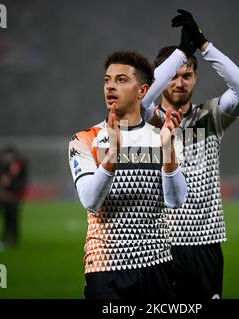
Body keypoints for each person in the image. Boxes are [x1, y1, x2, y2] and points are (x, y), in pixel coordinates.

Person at [142, 9, 239, 299]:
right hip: (159, 246)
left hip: (206, 244)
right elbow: (141, 99)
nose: (179, 82)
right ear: (160, 78)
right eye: (174, 75)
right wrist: (180, 53)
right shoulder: (147, 119)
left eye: (187, 75)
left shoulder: (210, 116)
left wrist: (204, 45)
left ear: (196, 78)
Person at [68, 48, 189, 299]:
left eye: (121, 80)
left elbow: (176, 200)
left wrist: (168, 150)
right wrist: (112, 155)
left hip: (157, 266)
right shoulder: (84, 139)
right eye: (107, 80)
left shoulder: (162, 136)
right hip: (105, 268)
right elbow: (91, 201)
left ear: (142, 91)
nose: (111, 86)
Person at [0, 146, 28, 251]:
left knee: (13, 219)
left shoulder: (20, 165)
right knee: (7, 219)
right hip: (6, 197)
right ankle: (7, 239)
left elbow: (20, 181)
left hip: (14, 196)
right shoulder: (5, 166)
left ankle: (12, 239)